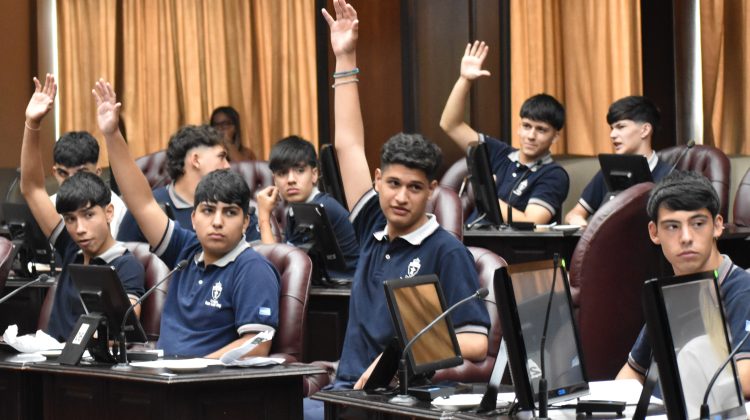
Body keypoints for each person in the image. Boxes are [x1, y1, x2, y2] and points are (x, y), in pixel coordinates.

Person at [305, 2, 491, 418]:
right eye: (392, 184)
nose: (401, 197)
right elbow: (350, 143)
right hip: (346, 392)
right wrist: (345, 58)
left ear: (431, 192)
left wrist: (399, 361)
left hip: (400, 403)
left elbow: (476, 342)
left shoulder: (446, 250)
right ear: (377, 180)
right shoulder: (372, 220)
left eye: (414, 188)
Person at [94, 78, 280, 358]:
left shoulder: (252, 268)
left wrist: (197, 367)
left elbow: (258, 344)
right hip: (166, 378)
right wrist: (112, 134)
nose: (217, 221)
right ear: (193, 218)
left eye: (229, 212)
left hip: (207, 388)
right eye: (208, 211)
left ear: (245, 222)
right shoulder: (185, 251)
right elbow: (142, 202)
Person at [20, 74, 144, 341]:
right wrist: (32, 123)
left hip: (89, 371)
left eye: (88, 215)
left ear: (108, 212)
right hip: (51, 360)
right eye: (70, 219)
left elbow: (125, 332)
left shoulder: (126, 264)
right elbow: (32, 189)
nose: (80, 229)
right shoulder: (71, 247)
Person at [615, 171, 750, 400]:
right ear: (654, 232)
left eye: (698, 223)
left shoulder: (742, 289)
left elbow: (745, 380)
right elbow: (633, 372)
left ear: (717, 226)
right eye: (672, 227)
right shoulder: (671, 294)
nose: (686, 237)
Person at [440, 41, 569, 224]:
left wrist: (487, 195)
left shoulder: (554, 174)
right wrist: (465, 80)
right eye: (526, 126)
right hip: (470, 240)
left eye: (541, 130)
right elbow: (450, 125)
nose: (531, 136)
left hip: (506, 249)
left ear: (555, 136)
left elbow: (533, 220)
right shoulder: (499, 153)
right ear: (518, 127)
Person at [116, 124, 262, 243]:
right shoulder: (152, 207)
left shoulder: (237, 207)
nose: (228, 166)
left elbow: (261, 259)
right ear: (196, 160)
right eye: (221, 157)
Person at [255, 135, 359, 278]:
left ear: (314, 174)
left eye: (300, 170)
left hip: (342, 293)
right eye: (282, 173)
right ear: (275, 180)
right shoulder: (297, 209)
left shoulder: (319, 208)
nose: (291, 180)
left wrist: (264, 217)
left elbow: (275, 266)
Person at [565, 96, 670, 227]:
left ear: (645, 130)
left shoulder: (670, 176)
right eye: (612, 128)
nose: (612, 135)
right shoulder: (609, 170)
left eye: (621, 127)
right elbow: (575, 213)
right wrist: (577, 220)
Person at [49, 131, 127, 238]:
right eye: (63, 173)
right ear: (55, 173)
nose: (71, 183)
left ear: (97, 173)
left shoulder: (115, 207)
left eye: (80, 174)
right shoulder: (47, 206)